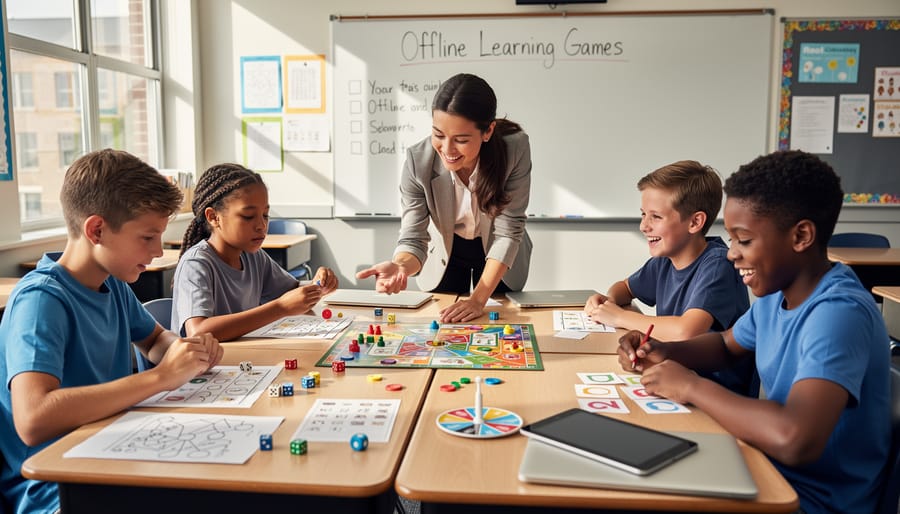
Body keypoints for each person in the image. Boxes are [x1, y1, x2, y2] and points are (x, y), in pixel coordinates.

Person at [618, 150, 891, 514]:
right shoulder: (777, 296)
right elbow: (727, 346)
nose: (731, 254)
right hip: (763, 468)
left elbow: (795, 439)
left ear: (801, 236)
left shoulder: (838, 313)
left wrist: (691, 386)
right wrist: (665, 352)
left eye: (743, 241)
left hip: (810, 500)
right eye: (731, 240)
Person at [0, 149, 224, 514]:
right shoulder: (41, 300)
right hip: (58, 488)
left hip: (113, 452)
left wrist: (185, 350)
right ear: (97, 230)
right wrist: (161, 378)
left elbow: (153, 340)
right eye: (147, 237)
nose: (156, 252)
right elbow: (33, 418)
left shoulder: (113, 283)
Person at [356, 73, 532, 323]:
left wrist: (477, 299)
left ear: (488, 131)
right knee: (445, 331)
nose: (447, 150)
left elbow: (507, 232)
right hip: (445, 253)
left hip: (498, 252)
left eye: (461, 140)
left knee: (498, 326)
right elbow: (414, 237)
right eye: (438, 135)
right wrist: (401, 267)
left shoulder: (515, 149)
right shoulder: (418, 162)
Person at [585, 160, 755, 395]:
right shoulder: (664, 260)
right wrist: (609, 301)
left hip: (716, 395)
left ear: (695, 222)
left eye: (656, 217)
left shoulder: (718, 265)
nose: (644, 226)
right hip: (675, 379)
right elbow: (624, 287)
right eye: (643, 214)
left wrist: (620, 317)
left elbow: (687, 331)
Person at [172, 163, 338, 341]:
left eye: (265, 215)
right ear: (214, 217)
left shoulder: (253, 256)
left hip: (240, 361)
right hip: (204, 366)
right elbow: (199, 332)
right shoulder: (196, 264)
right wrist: (281, 308)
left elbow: (292, 295)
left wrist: (317, 285)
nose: (262, 225)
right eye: (248, 216)